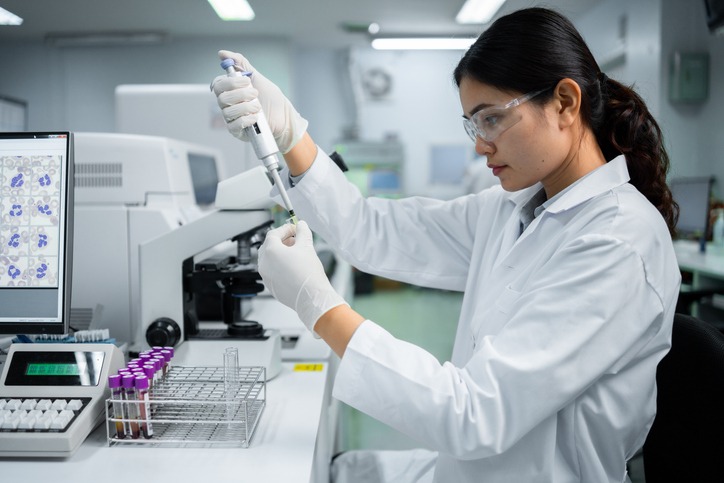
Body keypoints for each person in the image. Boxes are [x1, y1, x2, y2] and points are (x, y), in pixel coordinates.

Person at [211, 7, 681, 482]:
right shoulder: (512, 208)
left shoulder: (618, 242)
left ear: (564, 102)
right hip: (469, 469)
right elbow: (371, 229)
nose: (481, 145)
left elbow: (474, 414)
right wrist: (290, 133)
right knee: (341, 471)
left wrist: (320, 307)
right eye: (474, 124)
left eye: (493, 119)